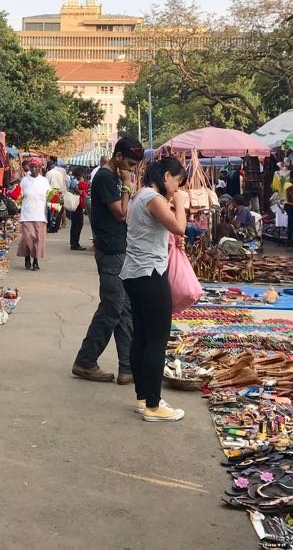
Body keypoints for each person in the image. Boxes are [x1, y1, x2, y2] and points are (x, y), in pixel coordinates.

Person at [72, 137, 144, 384]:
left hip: (118, 249)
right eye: (131, 163)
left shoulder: (111, 177)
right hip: (111, 250)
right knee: (112, 307)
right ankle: (85, 361)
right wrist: (126, 185)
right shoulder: (105, 178)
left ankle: (127, 367)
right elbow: (121, 214)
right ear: (119, 156)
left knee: (124, 309)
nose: (132, 169)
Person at [122, 156, 188, 422]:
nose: (176, 188)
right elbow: (179, 227)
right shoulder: (154, 198)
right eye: (177, 181)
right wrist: (180, 204)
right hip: (150, 273)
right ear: (166, 176)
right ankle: (153, 404)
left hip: (135, 273)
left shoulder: (140, 196)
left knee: (142, 336)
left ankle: (142, 398)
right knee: (157, 339)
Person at [17, 157, 50, 271]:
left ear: (40, 168)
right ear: (29, 168)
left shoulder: (44, 181)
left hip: (40, 214)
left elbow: (49, 195)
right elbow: (18, 195)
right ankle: (27, 257)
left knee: (38, 239)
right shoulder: (24, 180)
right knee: (28, 238)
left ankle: (35, 261)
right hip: (27, 213)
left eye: (36, 167)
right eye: (32, 167)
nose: (34, 169)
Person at [68, 167, 90, 251]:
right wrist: (82, 183)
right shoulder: (75, 182)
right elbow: (79, 192)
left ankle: (74, 242)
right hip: (77, 205)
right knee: (78, 224)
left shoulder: (73, 180)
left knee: (75, 225)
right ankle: (75, 243)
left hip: (77, 205)